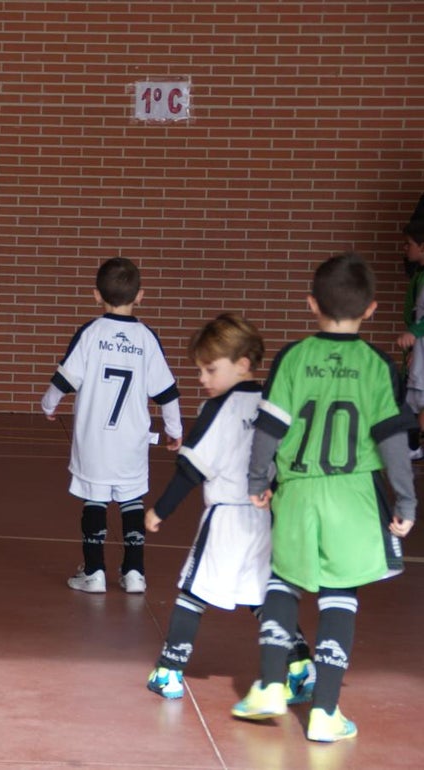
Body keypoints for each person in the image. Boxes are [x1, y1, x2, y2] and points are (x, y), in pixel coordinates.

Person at [231, 253, 416, 743]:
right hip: (354, 495)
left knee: (282, 581)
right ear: (373, 309)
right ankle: (325, 712)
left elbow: (269, 428)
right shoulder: (376, 365)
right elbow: (394, 440)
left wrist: (257, 480)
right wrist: (406, 502)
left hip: (298, 491)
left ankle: (271, 684)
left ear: (311, 304)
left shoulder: (294, 357)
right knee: (340, 593)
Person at [144, 313, 313, 703]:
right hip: (267, 516)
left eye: (209, 369)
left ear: (242, 364)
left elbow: (191, 467)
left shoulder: (216, 410)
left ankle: (169, 670)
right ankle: (301, 665)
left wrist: (161, 510)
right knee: (262, 595)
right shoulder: (275, 403)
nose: (202, 378)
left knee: (192, 590)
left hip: (226, 517)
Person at [41, 256, 183, 594]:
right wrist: (175, 431)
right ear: (140, 296)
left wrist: (48, 405)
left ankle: (94, 572)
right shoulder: (147, 339)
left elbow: (65, 378)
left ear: (96, 295)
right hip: (131, 440)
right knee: (131, 497)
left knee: (95, 499)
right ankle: (134, 572)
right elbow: (167, 391)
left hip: (94, 440)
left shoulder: (90, 333)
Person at [395, 219, 424, 458]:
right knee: (413, 396)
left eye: (409, 244)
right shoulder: (419, 275)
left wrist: (414, 333)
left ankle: (413, 445)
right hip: (419, 347)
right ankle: (412, 445)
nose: (406, 249)